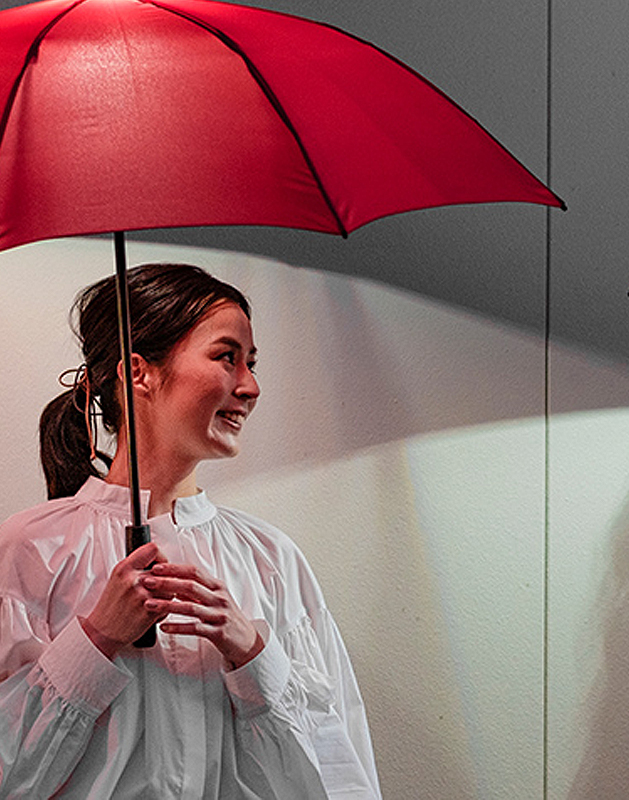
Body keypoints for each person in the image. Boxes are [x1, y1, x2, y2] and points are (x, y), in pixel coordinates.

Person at [0, 263, 381, 798]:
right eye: (227, 357)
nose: (250, 386)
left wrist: (253, 652)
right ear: (139, 372)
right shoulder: (27, 550)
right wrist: (95, 640)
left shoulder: (272, 559)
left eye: (250, 363)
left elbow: (339, 779)